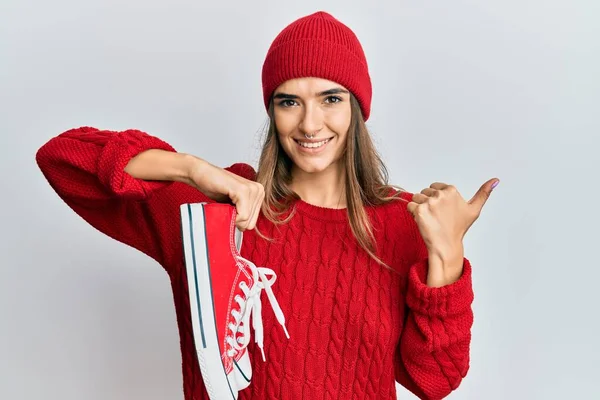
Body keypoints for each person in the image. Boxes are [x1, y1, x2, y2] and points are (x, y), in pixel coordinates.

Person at [35, 10, 498, 400]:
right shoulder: (220, 208)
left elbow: (432, 380)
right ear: (272, 111)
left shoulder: (403, 221)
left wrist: (447, 255)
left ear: (357, 108)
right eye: (289, 101)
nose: (310, 122)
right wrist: (193, 170)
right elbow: (63, 159)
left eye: (330, 99)